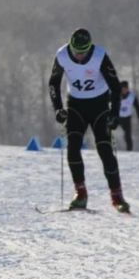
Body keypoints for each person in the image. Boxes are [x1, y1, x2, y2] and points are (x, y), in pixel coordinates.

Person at [48, 27, 130, 213]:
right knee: (73, 149)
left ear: (89, 48)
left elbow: (115, 86)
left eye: (83, 52)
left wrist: (114, 113)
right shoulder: (62, 55)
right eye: (76, 52)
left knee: (104, 150)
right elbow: (53, 83)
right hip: (76, 105)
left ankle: (117, 197)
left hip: (99, 106)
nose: (78, 56)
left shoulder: (99, 55)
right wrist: (59, 108)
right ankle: (80, 194)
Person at [117, 81, 139, 151]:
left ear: (127, 89)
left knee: (128, 135)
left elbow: (137, 107)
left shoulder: (132, 96)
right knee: (108, 131)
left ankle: (129, 151)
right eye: (122, 89)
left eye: (125, 89)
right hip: (117, 117)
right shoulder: (116, 95)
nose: (124, 91)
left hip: (127, 118)